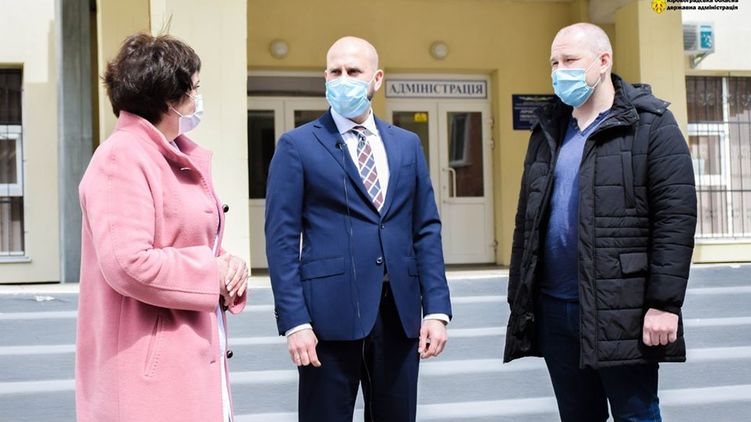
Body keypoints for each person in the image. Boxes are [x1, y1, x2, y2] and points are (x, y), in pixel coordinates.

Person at [504, 23, 697, 422]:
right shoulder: (548, 130)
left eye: (569, 60)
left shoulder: (651, 124)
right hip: (555, 308)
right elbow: (527, 223)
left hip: (621, 307)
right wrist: (520, 299)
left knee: (636, 414)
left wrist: (664, 304)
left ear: (603, 60)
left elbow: (675, 218)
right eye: (554, 63)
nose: (560, 71)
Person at [265, 36, 452, 422]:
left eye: (353, 71)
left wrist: (436, 309)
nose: (343, 79)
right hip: (327, 320)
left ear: (377, 79)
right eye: (335, 72)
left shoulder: (407, 145)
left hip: (399, 315)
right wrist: (294, 320)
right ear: (325, 78)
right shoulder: (297, 145)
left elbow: (425, 229)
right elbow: (281, 239)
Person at [76, 33, 248, 422]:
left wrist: (228, 265)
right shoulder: (122, 157)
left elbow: (187, 240)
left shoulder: (171, 154)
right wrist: (212, 272)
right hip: (147, 376)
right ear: (170, 98)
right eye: (195, 88)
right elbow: (128, 262)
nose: (198, 98)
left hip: (189, 360)